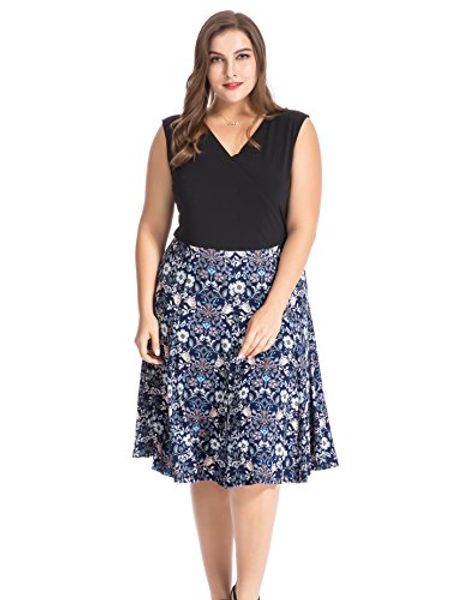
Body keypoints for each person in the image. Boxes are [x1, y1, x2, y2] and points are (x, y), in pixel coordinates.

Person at [132, 10, 339, 600]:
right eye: (217, 58)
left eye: (241, 56)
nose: (230, 70)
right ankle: (217, 594)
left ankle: (248, 595)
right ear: (203, 66)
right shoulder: (174, 134)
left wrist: (274, 308)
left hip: (268, 310)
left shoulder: (294, 130)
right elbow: (151, 228)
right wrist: (146, 312)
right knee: (202, 460)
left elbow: (303, 227)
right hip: (189, 306)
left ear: (258, 60)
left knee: (260, 459)